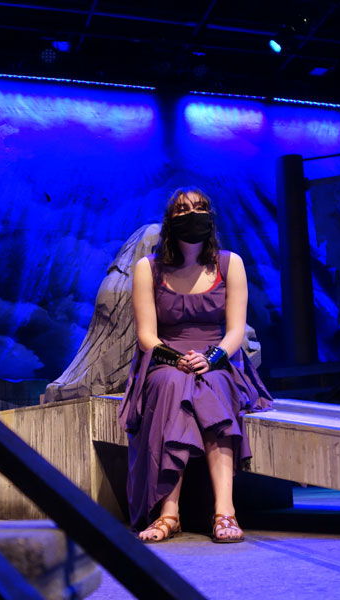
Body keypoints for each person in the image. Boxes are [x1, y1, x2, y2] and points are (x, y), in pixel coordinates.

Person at [118, 187, 272, 544]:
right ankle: (168, 513)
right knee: (172, 385)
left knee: (215, 387)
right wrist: (179, 361)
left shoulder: (229, 264)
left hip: (217, 358)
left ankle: (225, 512)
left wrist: (211, 358)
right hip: (164, 359)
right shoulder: (148, 269)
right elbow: (147, 337)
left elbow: (235, 330)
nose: (193, 213)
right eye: (184, 209)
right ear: (170, 220)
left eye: (200, 207)